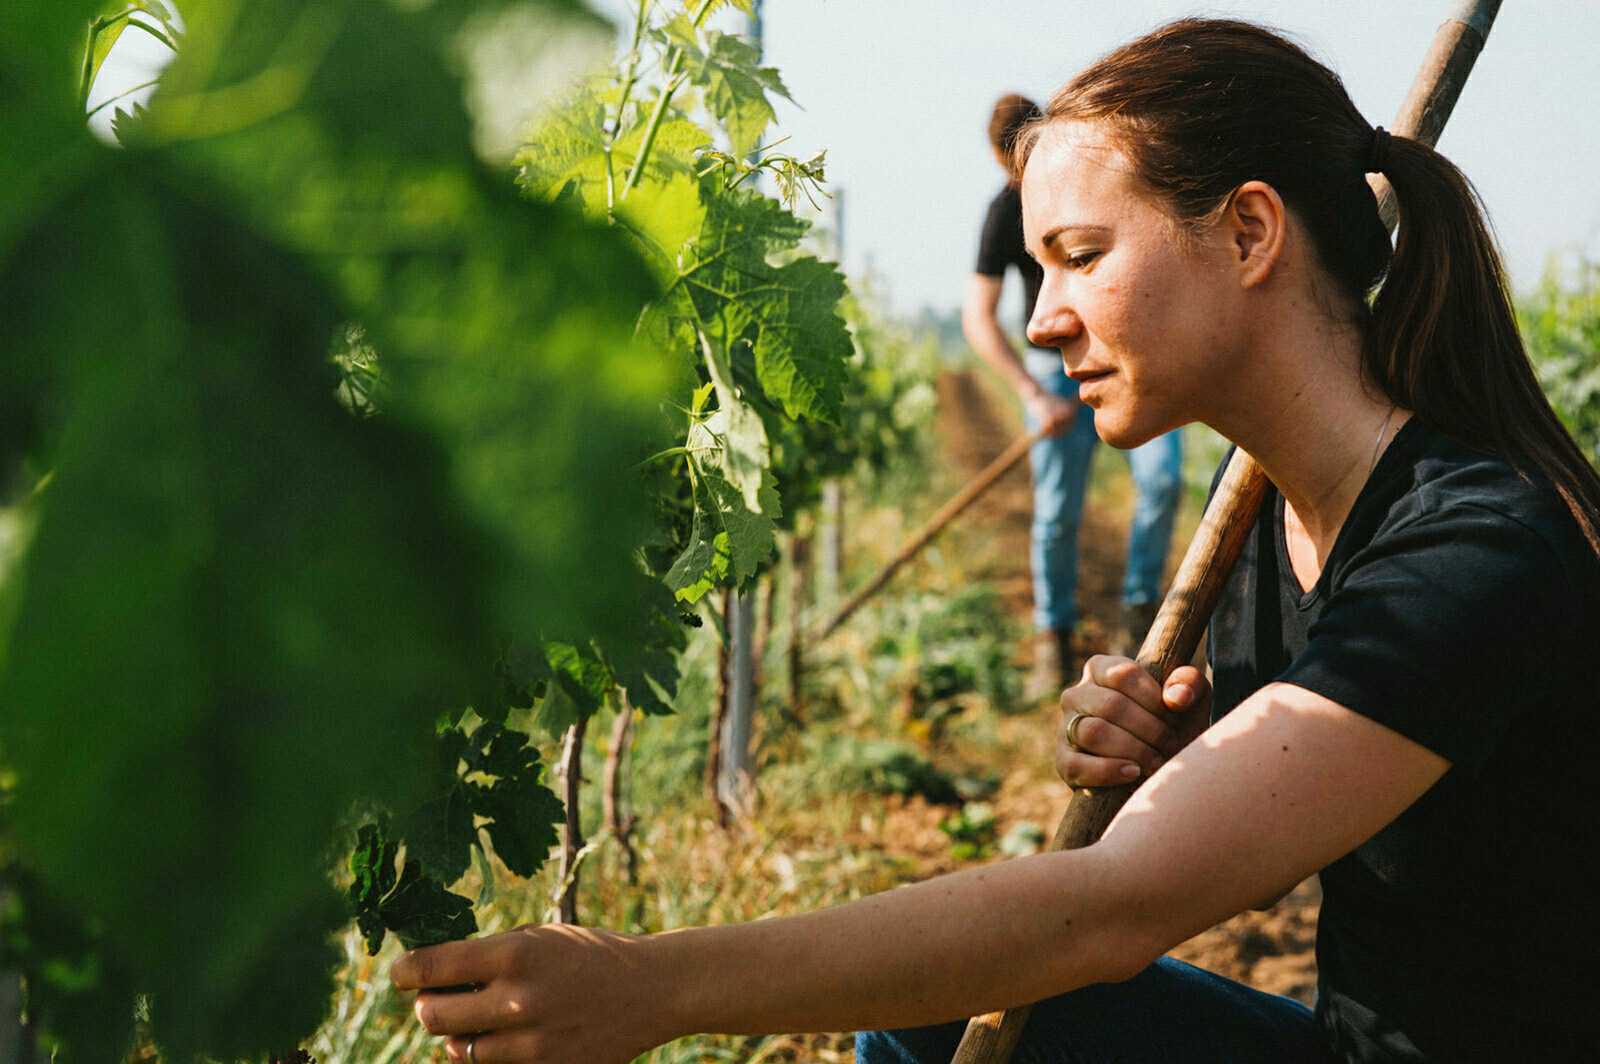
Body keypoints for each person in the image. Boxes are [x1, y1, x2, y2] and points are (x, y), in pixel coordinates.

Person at [389, 19, 1600, 1062]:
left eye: (1080, 256)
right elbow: (1273, 850)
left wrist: (650, 986)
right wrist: (1191, 755)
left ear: (1247, 235)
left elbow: (1108, 911)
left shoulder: (1475, 546)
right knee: (936, 1018)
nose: (1043, 318)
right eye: (1035, 266)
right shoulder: (1265, 528)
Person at [962, 93, 1183, 700]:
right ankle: (1052, 637)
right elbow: (978, 317)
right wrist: (1033, 395)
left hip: (1128, 356)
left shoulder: (1093, 191)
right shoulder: (1003, 212)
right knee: (1057, 514)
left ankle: (1141, 613)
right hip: (1055, 375)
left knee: (1163, 482)